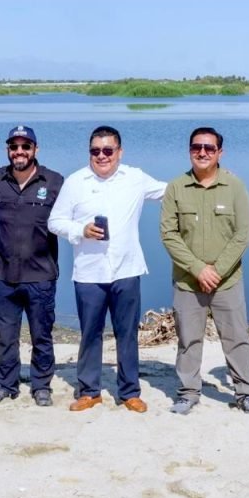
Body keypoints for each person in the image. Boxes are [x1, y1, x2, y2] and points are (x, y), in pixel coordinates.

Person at [48, 125, 166, 413]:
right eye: (95, 151)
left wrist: (210, 179)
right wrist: (81, 229)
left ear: (119, 152)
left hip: (126, 269)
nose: (102, 156)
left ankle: (129, 392)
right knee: (90, 332)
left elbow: (171, 192)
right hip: (89, 272)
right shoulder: (76, 181)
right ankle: (89, 391)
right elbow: (55, 221)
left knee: (127, 333)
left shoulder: (135, 178)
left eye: (108, 150)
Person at [159, 127, 249, 415]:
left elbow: (243, 234)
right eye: (196, 147)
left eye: (209, 147)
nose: (202, 152)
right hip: (187, 282)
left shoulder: (235, 187)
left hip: (227, 281)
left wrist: (216, 270)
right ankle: (188, 392)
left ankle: (245, 393)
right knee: (188, 339)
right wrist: (197, 269)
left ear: (220, 152)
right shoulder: (176, 187)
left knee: (236, 338)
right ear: (189, 150)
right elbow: (169, 235)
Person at [0, 125, 64, 407]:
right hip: (4, 275)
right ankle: (7, 384)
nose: (19, 152)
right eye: (14, 147)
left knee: (41, 334)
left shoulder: (54, 181)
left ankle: (41, 385)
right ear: (8, 150)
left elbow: (70, 216)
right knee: (6, 336)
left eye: (25, 146)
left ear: (35, 149)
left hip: (40, 274)